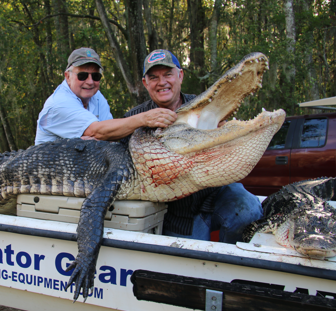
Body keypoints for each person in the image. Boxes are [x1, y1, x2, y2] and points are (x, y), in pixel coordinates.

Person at [124, 49, 263, 244]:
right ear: (145, 83)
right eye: (154, 77)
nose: (162, 82)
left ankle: (231, 260)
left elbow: (225, 137)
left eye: (168, 74)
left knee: (248, 209)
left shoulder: (205, 104)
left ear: (180, 76)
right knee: (190, 266)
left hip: (213, 192)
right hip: (178, 214)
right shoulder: (135, 117)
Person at [35, 47, 176, 145]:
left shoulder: (95, 95)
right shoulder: (59, 103)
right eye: (82, 75)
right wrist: (145, 118)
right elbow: (98, 131)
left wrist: (102, 136)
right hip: (49, 176)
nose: (90, 82)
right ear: (67, 76)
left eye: (96, 76)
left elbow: (110, 136)